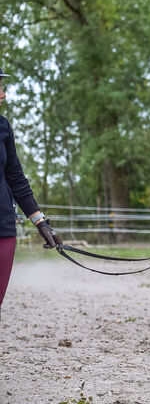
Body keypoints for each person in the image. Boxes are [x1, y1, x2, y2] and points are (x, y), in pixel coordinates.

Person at [0, 66, 62, 319]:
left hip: (3, 228)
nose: (3, 94)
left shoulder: (3, 126)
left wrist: (40, 222)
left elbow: (16, 177)